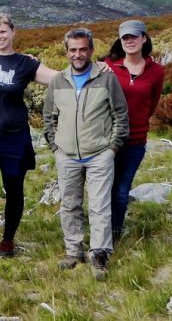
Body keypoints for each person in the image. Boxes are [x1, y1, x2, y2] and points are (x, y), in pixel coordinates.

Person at [0, 13, 60, 257]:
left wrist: (92, 69)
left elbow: (58, 78)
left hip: (14, 137)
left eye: (3, 31)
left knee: (14, 189)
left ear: (13, 32)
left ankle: (8, 241)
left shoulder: (26, 64)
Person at [43, 27, 129, 280]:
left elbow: (120, 116)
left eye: (83, 49)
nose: (78, 54)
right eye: (73, 50)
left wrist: (112, 148)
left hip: (100, 154)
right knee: (70, 204)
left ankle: (100, 254)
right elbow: (48, 118)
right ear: (67, 52)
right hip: (67, 156)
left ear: (91, 50)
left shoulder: (107, 78)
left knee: (100, 206)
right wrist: (56, 148)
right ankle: (73, 252)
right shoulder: (58, 80)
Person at [99, 20, 165, 241]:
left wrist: (136, 126)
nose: (129, 41)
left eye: (134, 37)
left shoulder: (156, 71)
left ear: (144, 38)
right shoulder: (107, 66)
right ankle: (100, 233)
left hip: (135, 142)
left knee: (121, 191)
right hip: (107, 141)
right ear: (120, 40)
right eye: (125, 37)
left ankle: (114, 233)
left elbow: (152, 104)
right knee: (104, 189)